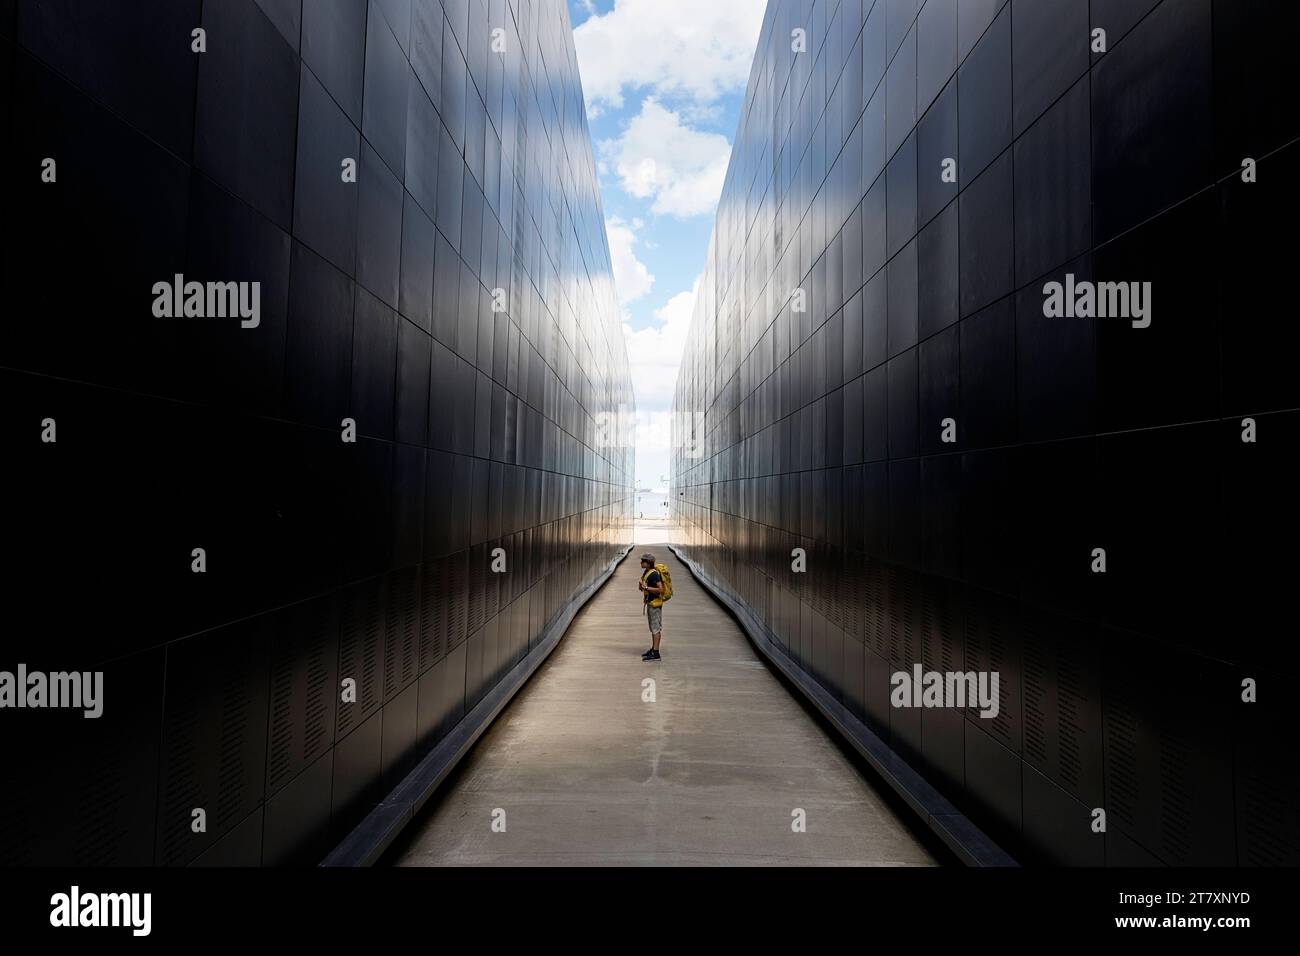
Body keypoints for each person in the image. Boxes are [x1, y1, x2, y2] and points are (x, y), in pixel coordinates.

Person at [638, 552, 664, 661]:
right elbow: (643, 588)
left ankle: (656, 653)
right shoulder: (646, 572)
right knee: (653, 627)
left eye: (643, 561)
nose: (641, 562)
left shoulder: (653, 574)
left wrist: (647, 588)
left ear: (648, 563)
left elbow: (660, 589)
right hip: (650, 603)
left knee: (655, 628)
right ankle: (653, 649)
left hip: (655, 604)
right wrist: (642, 586)